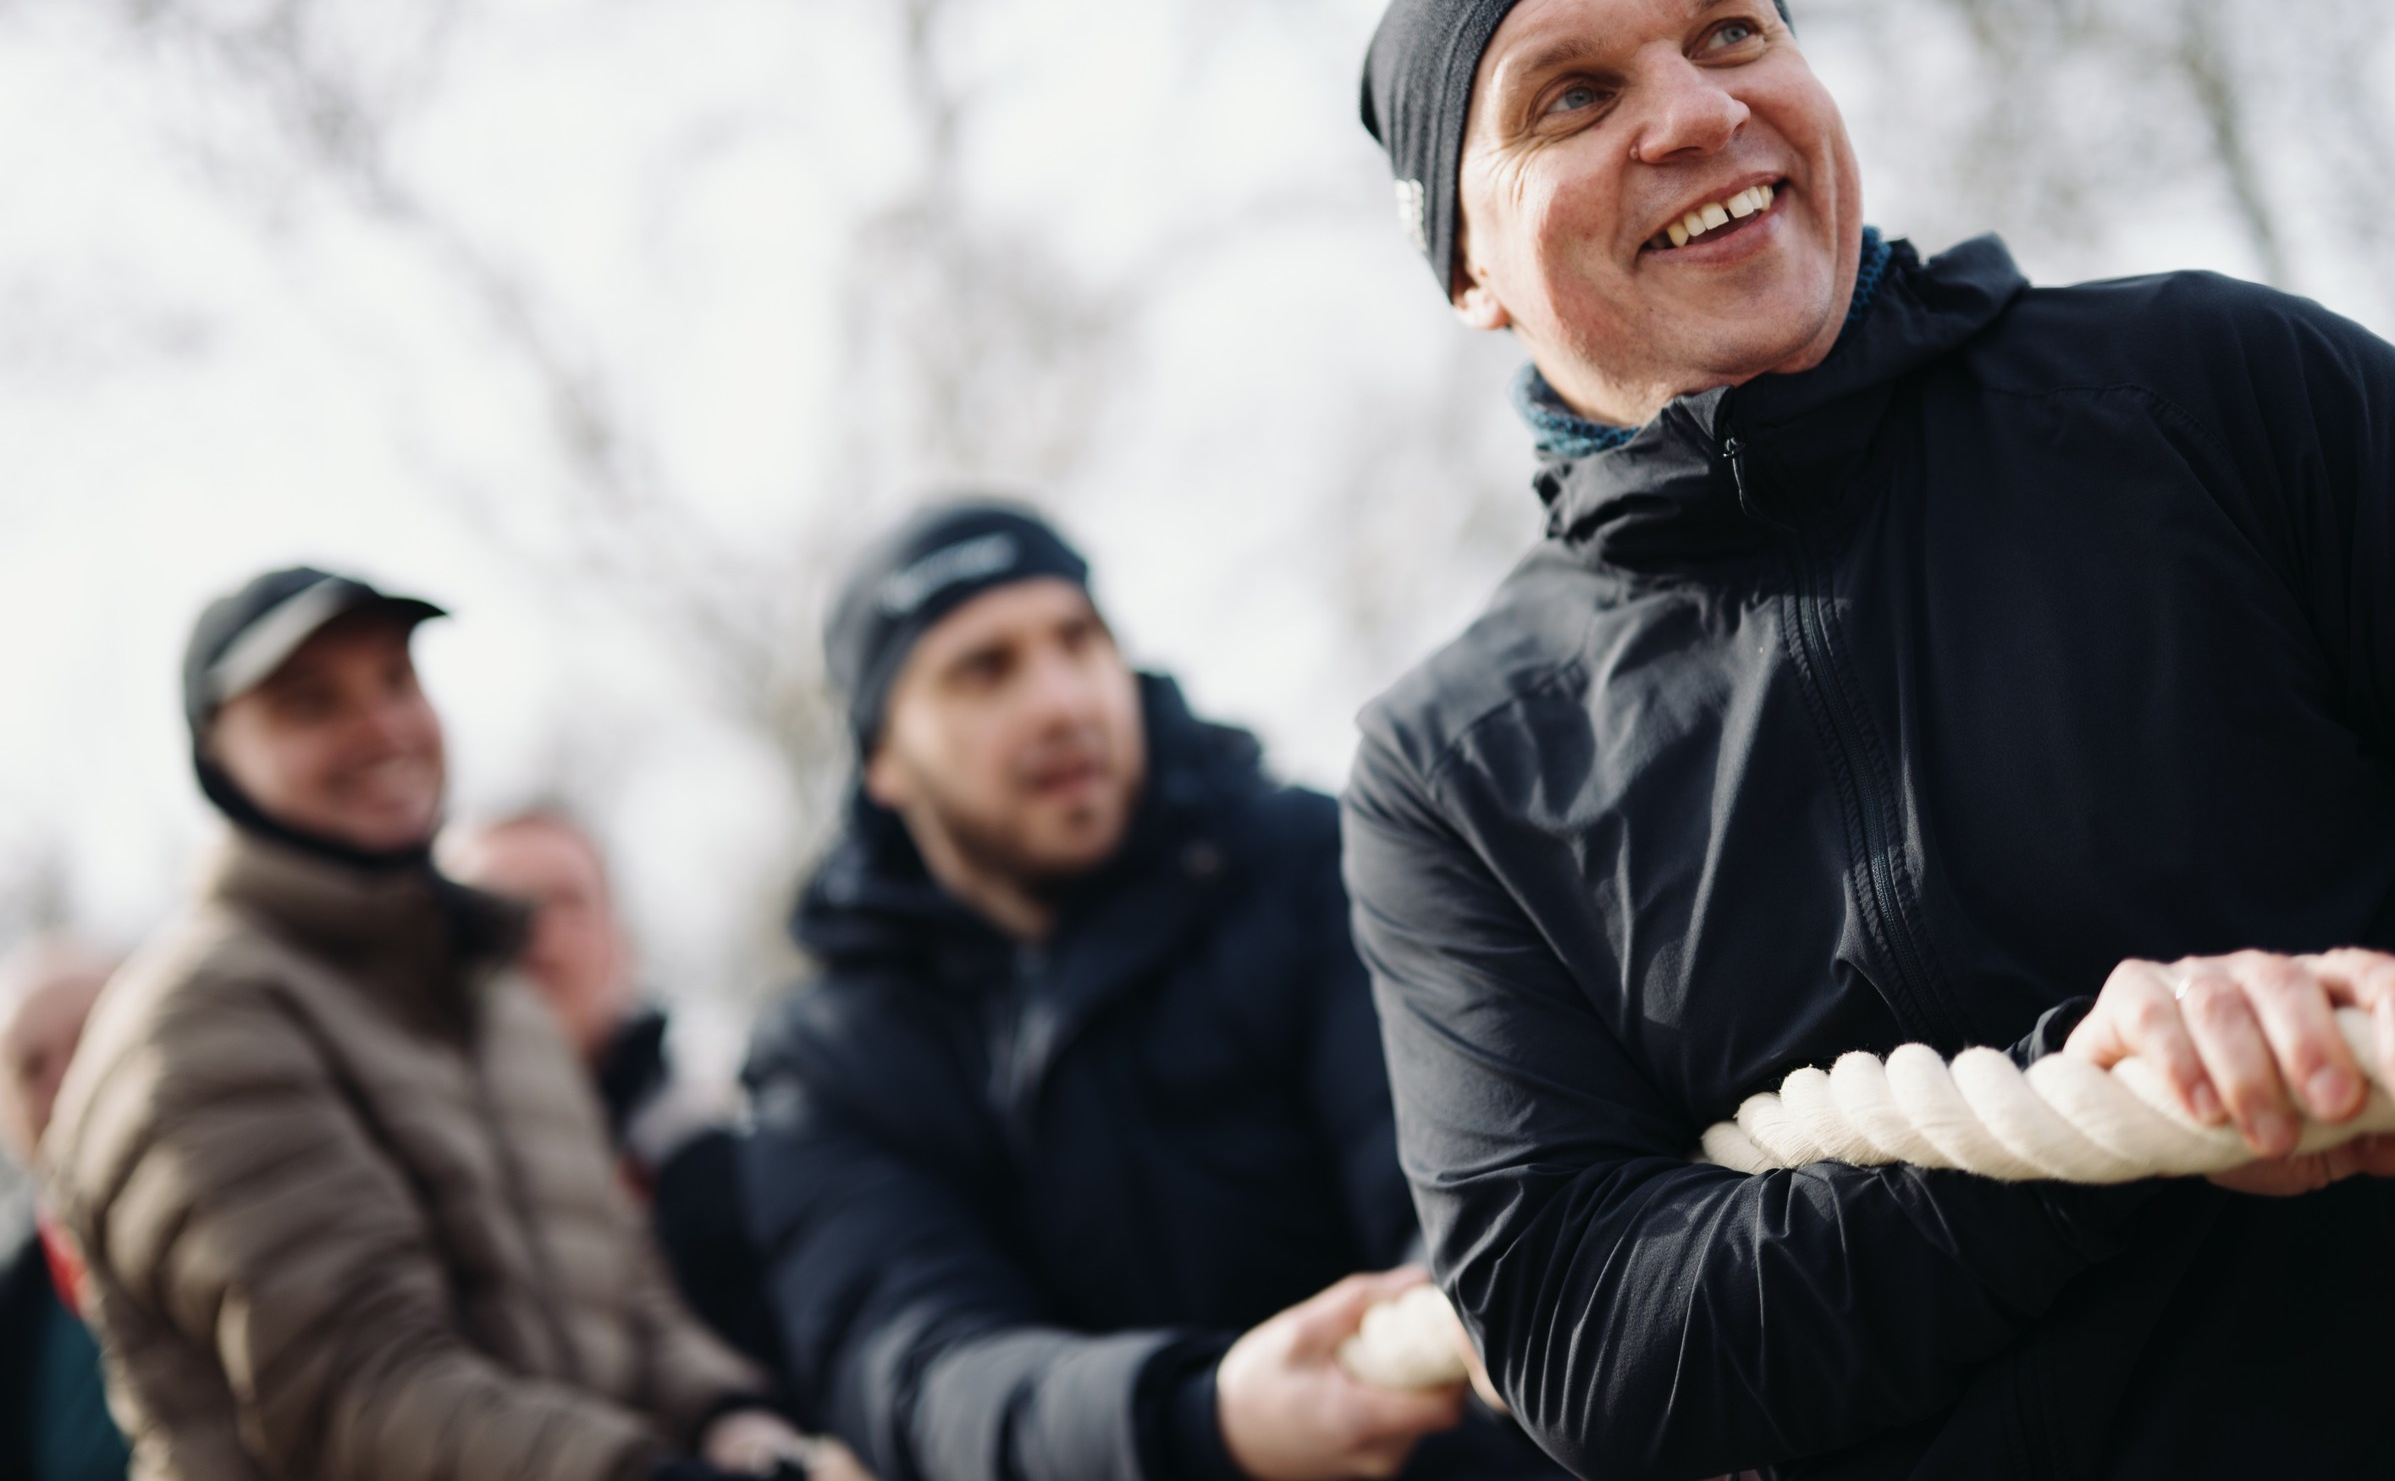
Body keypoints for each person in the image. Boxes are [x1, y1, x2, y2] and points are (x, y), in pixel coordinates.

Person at [1344, 0, 2395, 1480]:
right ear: (1469, 271)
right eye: (1573, 96)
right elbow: (1583, 1331)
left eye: (1731, 33)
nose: (1700, 112)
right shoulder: (1455, 767)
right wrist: (2081, 1123)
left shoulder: (2210, 390)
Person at [739, 502, 1556, 1481]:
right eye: (983, 669)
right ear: (882, 760)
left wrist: (1485, 1307)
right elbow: (915, 1375)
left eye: (1078, 641)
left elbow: (1464, 1170)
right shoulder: (828, 1063)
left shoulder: (1315, 867)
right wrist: (1199, 1418)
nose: (1062, 702)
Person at [43, 567, 817, 1481]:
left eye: (396, 681)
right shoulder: (203, 1020)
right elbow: (360, 1397)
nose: (382, 728)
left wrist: (738, 1421)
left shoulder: (495, 997)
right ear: (216, 756)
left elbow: (628, 1298)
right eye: (311, 703)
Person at [446, 807, 790, 1384]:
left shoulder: (734, 1168)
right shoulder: (391, 1157)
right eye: (493, 908)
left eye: (568, 903)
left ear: (621, 942)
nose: (535, 934)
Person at [0, 937, 129, 1481]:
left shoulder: (256, 1218)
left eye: (87, 1038)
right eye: (33, 1068)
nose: (65, 1079)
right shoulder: (17, 1309)